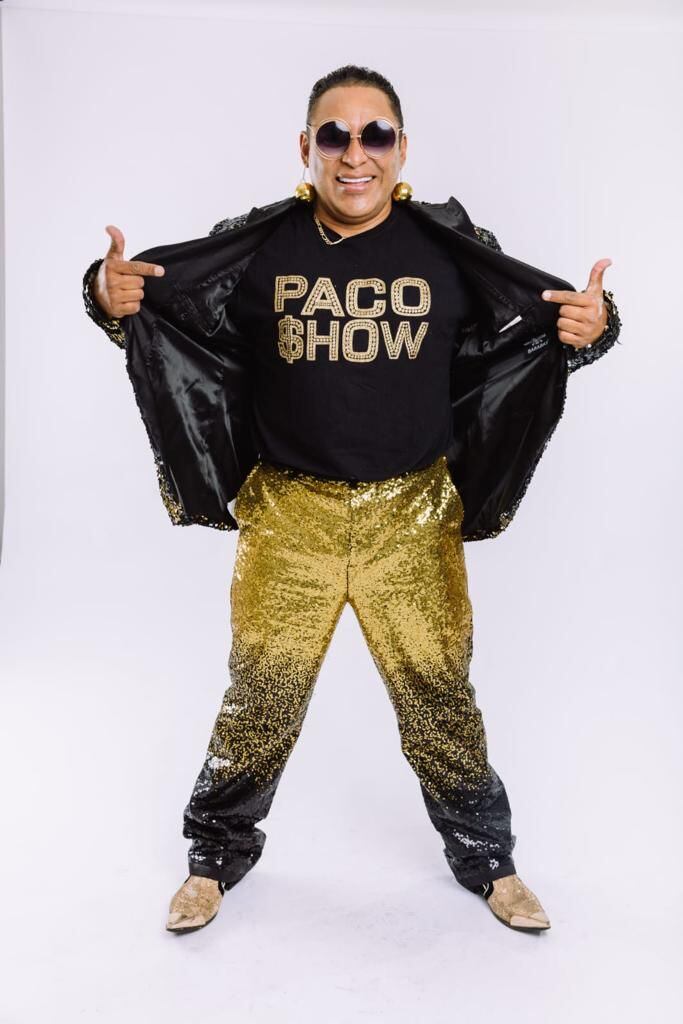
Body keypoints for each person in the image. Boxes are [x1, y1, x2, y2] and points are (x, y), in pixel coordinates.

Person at [81, 65, 621, 935]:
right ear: (307, 147)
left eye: (375, 135)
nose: (354, 153)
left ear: (401, 149)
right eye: (334, 135)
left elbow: (545, 320)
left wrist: (595, 326)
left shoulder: (450, 249)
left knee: (438, 699)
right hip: (287, 514)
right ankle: (213, 859)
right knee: (261, 696)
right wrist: (106, 295)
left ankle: (488, 861)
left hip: (412, 516)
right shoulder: (257, 247)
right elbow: (160, 303)